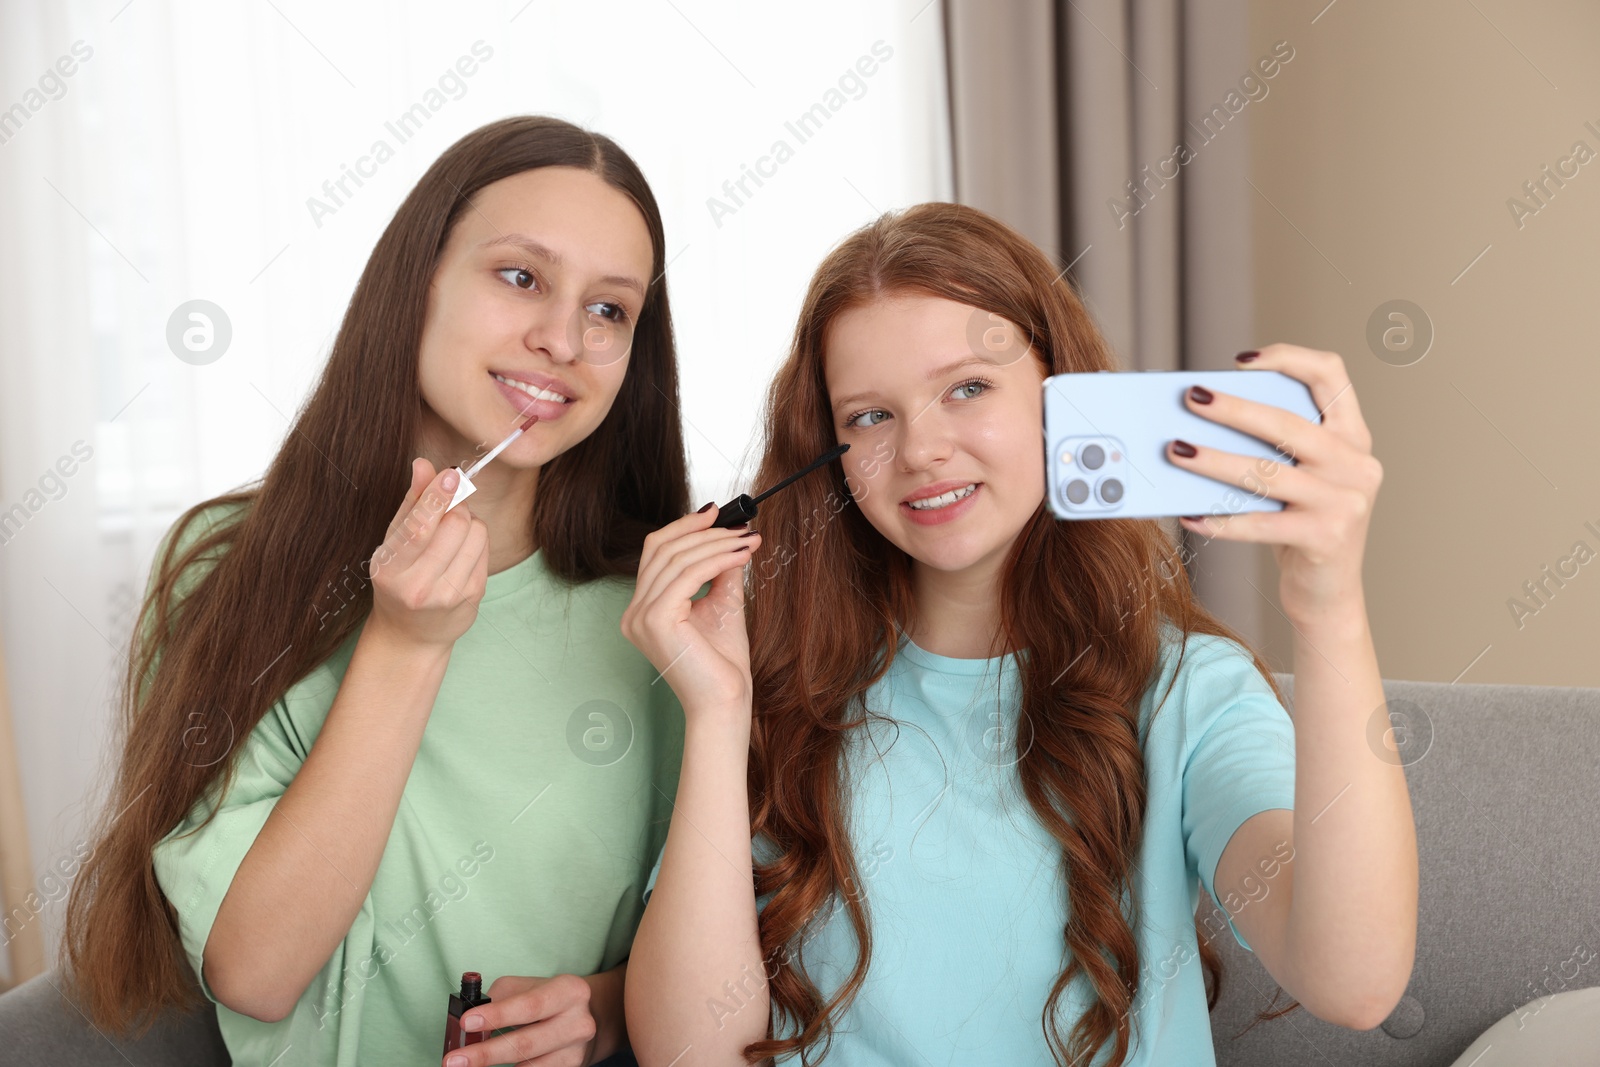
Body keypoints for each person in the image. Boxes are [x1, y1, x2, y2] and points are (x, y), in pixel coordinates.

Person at [620, 203, 1417, 1066]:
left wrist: (1329, 605)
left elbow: (1354, 981)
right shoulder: (777, 686)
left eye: (967, 387)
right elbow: (687, 1055)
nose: (921, 448)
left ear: (1059, 392)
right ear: (832, 454)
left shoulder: (1190, 688)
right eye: (869, 417)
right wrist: (716, 712)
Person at [61, 115, 696, 1067]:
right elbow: (257, 971)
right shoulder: (224, 566)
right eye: (521, 276)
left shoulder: (656, 611)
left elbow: (721, 949)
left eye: (609, 310)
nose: (562, 338)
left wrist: (600, 1011)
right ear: (419, 280)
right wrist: (406, 643)